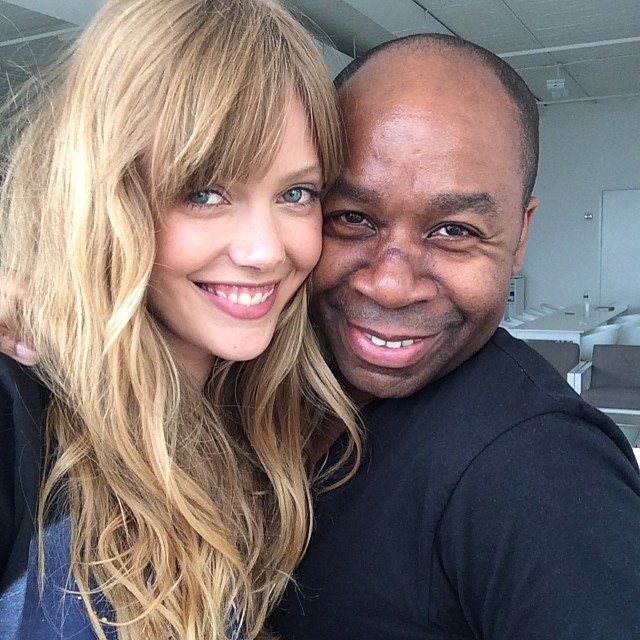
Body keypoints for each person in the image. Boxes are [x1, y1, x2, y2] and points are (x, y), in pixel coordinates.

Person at [0, 0, 360, 638]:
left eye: (296, 193)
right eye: (204, 192)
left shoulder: (272, 414)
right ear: (108, 199)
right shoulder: (19, 413)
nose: (265, 251)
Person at [267, 34, 640, 639]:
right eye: (352, 218)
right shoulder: (261, 382)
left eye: (454, 230)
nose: (391, 285)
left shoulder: (543, 471)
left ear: (519, 238)